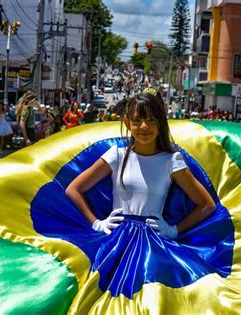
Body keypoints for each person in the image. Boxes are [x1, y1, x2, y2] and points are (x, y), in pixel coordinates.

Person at [66, 88, 216, 237]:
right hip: (116, 240)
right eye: (137, 120)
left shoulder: (172, 161)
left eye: (151, 120)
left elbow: (207, 205)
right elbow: (74, 189)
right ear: (127, 123)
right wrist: (97, 224)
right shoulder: (116, 155)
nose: (144, 126)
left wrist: (173, 230)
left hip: (152, 244)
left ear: (160, 123)